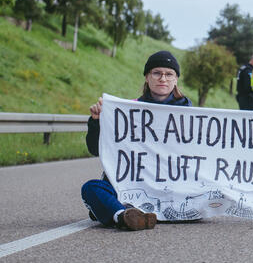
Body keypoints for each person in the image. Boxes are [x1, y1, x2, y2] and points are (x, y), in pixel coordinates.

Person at [80, 50, 192, 231]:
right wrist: (96, 122)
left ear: (176, 79)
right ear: (147, 77)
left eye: (169, 74)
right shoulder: (125, 111)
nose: (163, 78)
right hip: (131, 184)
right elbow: (95, 149)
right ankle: (125, 216)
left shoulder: (192, 115)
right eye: (157, 73)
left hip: (169, 185)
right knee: (91, 188)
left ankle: (114, 211)